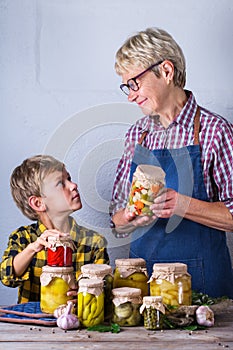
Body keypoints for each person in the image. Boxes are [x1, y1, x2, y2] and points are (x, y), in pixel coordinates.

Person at [110, 27, 233, 298]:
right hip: (141, 289)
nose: (130, 95)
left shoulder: (215, 131)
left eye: (135, 83)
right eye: (126, 86)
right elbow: (116, 221)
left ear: (166, 71)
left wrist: (182, 204)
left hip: (203, 289)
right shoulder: (137, 134)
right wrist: (130, 218)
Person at [0, 155, 109, 304]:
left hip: (77, 322)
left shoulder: (94, 242)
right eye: (61, 183)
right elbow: (7, 277)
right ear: (38, 203)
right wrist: (33, 248)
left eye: (69, 178)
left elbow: (105, 288)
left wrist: (86, 293)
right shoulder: (23, 237)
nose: (73, 185)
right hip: (34, 323)